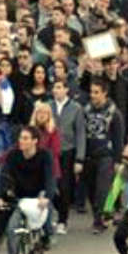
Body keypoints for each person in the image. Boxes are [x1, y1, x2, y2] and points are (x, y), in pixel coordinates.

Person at [0, 126, 56, 254]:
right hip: (20, 199)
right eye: (21, 138)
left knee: (47, 220)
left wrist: (46, 197)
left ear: (35, 141)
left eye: (26, 138)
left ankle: (46, 237)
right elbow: (4, 176)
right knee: (11, 230)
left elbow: (50, 178)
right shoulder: (13, 155)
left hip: (39, 196)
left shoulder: (45, 155)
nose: (21, 141)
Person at [82, 78, 125, 234]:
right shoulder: (86, 110)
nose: (93, 95)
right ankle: (101, 215)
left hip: (106, 156)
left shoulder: (114, 113)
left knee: (102, 190)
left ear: (104, 93)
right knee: (91, 190)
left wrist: (118, 160)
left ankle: (99, 221)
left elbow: (118, 138)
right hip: (89, 155)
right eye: (91, 92)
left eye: (96, 92)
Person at [48, 79, 85, 235]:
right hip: (50, 152)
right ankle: (53, 213)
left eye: (59, 87)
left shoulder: (76, 108)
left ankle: (63, 220)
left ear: (66, 90)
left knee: (64, 187)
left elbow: (80, 134)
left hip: (68, 151)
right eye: (54, 88)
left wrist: (79, 158)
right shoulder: (48, 106)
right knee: (50, 186)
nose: (56, 90)